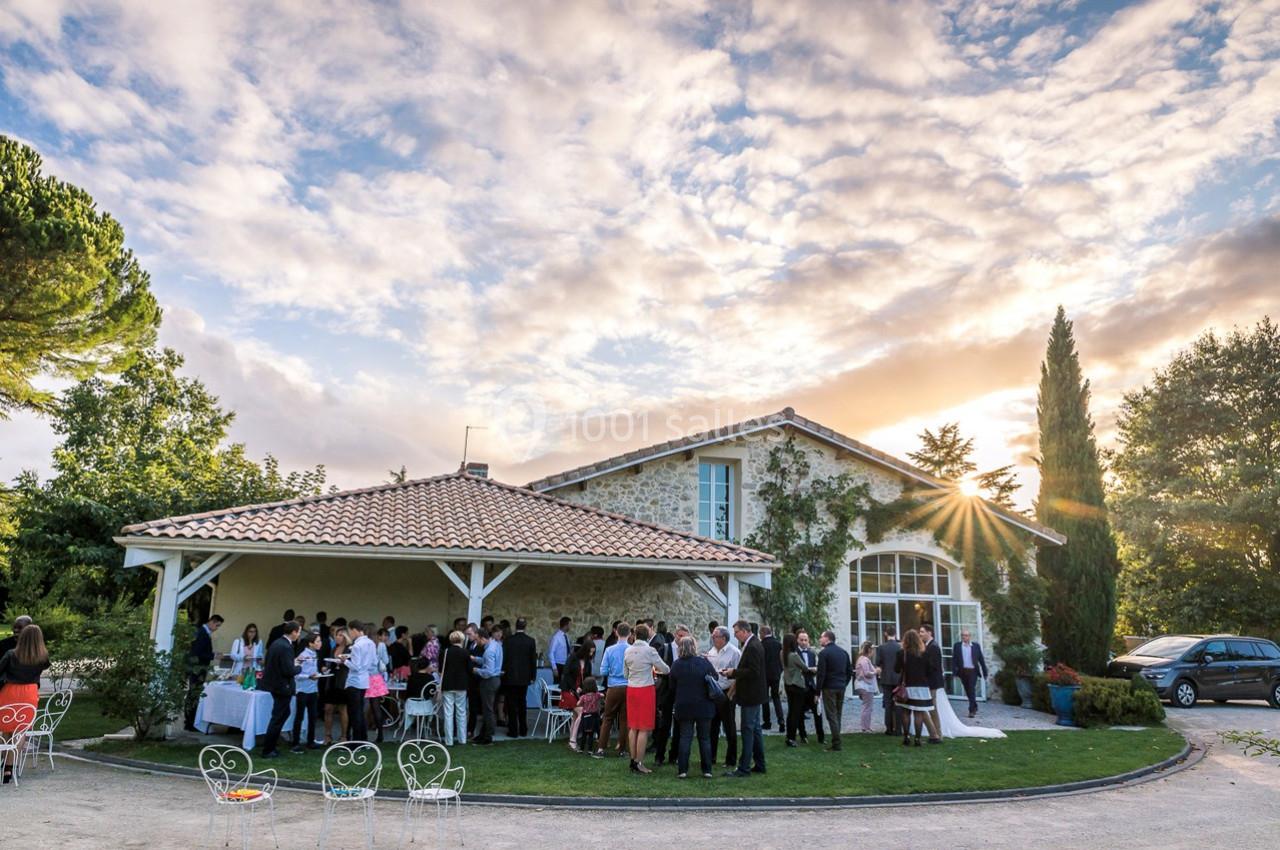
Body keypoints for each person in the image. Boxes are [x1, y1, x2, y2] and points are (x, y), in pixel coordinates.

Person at [0, 623, 49, 783]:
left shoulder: (11, 654)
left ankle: (3, 762)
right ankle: (9, 768)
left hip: (10, 692)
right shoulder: (42, 657)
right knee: (20, 731)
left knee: (6, 728)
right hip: (29, 693)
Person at [667, 635, 716, 778]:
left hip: (684, 705)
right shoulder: (703, 662)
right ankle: (707, 770)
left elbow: (672, 687)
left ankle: (683, 770)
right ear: (694, 647)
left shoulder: (676, 665)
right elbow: (715, 678)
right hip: (704, 705)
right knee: (705, 738)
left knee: (685, 737)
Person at [623, 623, 668, 774]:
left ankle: (632, 760)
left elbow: (625, 673)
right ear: (647, 635)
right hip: (645, 689)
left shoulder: (628, 650)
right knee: (644, 728)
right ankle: (639, 762)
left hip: (631, 688)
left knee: (633, 727)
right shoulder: (650, 650)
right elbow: (665, 668)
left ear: (634, 635)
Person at [725, 619, 766, 777]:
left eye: (736, 633)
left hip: (751, 695)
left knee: (748, 730)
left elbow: (753, 671)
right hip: (754, 694)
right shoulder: (753, 643)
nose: (735, 636)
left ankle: (744, 768)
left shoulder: (753, 646)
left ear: (744, 631)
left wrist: (733, 672)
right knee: (755, 729)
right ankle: (760, 764)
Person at [259, 621, 302, 758]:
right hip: (282, 686)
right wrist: (299, 667)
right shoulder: (286, 646)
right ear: (294, 632)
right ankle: (268, 748)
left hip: (275, 684)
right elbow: (288, 670)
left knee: (283, 713)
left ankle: (271, 745)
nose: (299, 635)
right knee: (278, 717)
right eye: (298, 632)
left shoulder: (277, 643)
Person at [894, 629, 941, 745]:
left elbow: (896, 669)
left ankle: (906, 737)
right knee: (918, 713)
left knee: (906, 712)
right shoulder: (924, 653)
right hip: (921, 686)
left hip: (907, 685)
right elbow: (931, 669)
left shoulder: (901, 653)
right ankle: (917, 739)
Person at [595, 622, 631, 757]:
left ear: (616, 632)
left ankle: (601, 748)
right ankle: (623, 749)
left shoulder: (610, 650)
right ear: (629, 634)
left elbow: (603, 671)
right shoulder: (631, 649)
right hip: (628, 686)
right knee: (624, 719)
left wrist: (613, 671)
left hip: (613, 686)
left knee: (608, 717)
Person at [706, 625, 739, 768]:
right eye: (713, 636)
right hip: (713, 692)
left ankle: (731, 760)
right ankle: (711, 757)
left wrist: (730, 694)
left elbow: (738, 676)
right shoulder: (712, 650)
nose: (712, 638)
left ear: (723, 638)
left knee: (729, 727)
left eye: (715, 636)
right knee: (712, 726)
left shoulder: (734, 652)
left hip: (727, 692)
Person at [184, 614, 224, 732]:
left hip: (199, 668)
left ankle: (191, 720)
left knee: (194, 693)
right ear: (212, 621)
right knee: (193, 694)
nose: (216, 628)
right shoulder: (201, 633)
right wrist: (214, 655)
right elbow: (197, 652)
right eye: (217, 625)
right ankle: (189, 722)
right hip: (197, 668)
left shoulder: (203, 633)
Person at [816, 629, 853, 751]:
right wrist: (844, 683)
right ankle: (836, 739)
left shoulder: (824, 654)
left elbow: (821, 674)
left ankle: (836, 743)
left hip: (829, 688)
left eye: (821, 637)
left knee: (831, 715)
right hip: (840, 687)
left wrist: (817, 692)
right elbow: (849, 671)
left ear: (827, 638)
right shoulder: (843, 653)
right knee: (838, 714)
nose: (820, 639)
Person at [503, 618, 537, 738]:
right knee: (522, 703)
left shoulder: (508, 641)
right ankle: (523, 729)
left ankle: (513, 730)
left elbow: (505, 659)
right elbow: (533, 661)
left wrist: (503, 672)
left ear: (515, 625)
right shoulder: (530, 641)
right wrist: (533, 676)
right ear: (525, 626)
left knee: (511, 704)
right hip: (524, 677)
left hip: (510, 676)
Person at [647, 620, 675, 766]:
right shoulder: (664, 645)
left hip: (673, 689)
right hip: (666, 690)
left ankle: (673, 754)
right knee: (663, 722)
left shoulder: (658, 643)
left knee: (673, 723)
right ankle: (659, 753)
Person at [290, 630, 323, 751]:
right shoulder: (303, 656)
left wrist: (320, 673)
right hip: (302, 690)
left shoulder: (315, 654)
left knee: (312, 716)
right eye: (318, 641)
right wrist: (308, 677)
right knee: (299, 716)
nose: (320, 643)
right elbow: (296, 674)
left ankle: (310, 740)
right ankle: (295, 742)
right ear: (310, 643)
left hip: (313, 690)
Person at [345, 620, 377, 742]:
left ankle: (356, 741)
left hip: (354, 681)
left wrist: (345, 661)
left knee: (354, 712)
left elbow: (356, 667)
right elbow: (374, 662)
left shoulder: (357, 645)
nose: (350, 634)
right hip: (364, 680)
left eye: (350, 631)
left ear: (354, 630)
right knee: (360, 710)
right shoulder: (371, 643)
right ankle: (363, 739)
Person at [472, 625, 504, 744]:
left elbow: (489, 672)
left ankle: (487, 737)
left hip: (489, 681)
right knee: (489, 708)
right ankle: (483, 734)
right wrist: (476, 659)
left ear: (482, 638)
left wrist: (476, 670)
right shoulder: (496, 645)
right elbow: (489, 662)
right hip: (496, 680)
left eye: (476, 640)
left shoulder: (489, 651)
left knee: (488, 710)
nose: (476, 642)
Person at [439, 630, 470, 746]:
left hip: (447, 684)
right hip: (461, 684)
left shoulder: (445, 652)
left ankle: (449, 740)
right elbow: (469, 669)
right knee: (461, 712)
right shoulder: (465, 652)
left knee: (448, 713)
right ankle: (462, 739)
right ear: (461, 640)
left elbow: (440, 669)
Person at [562, 641, 595, 750]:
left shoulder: (588, 662)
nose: (591, 655)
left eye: (592, 653)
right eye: (590, 652)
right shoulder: (573, 658)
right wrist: (575, 688)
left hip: (579, 692)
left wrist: (583, 689)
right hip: (569, 690)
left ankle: (572, 738)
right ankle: (573, 740)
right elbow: (566, 674)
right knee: (582, 712)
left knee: (576, 716)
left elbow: (587, 677)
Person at [321, 627, 350, 745]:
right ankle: (327, 736)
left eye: (339, 635)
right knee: (328, 708)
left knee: (342, 709)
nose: (336, 637)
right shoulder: (334, 649)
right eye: (336, 635)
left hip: (343, 681)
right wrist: (325, 668)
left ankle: (344, 736)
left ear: (345, 637)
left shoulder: (349, 649)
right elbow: (329, 663)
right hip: (332, 680)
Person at [952, 629, 989, 718]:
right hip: (963, 671)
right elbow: (954, 660)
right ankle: (974, 705)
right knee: (968, 690)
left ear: (970, 636)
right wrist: (954, 672)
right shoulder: (957, 646)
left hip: (973, 671)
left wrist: (984, 672)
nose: (965, 637)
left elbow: (981, 660)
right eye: (963, 635)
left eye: (966, 635)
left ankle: (971, 710)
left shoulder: (975, 646)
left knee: (971, 689)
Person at [796, 630, 823, 744]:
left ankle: (821, 737)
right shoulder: (794, 653)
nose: (803, 642)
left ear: (808, 641)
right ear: (797, 640)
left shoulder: (812, 653)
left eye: (805, 640)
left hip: (811, 686)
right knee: (800, 713)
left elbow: (815, 669)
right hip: (800, 687)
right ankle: (803, 736)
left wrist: (815, 670)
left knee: (818, 713)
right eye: (801, 640)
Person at [782, 632, 808, 746]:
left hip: (788, 684)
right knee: (796, 713)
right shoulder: (794, 655)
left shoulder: (782, 653)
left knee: (791, 711)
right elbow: (805, 667)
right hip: (797, 685)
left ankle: (789, 736)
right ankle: (791, 737)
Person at [874, 627, 902, 736]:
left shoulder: (881, 647)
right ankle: (898, 729)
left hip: (886, 678)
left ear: (886, 634)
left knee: (888, 704)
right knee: (899, 703)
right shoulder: (900, 647)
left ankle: (889, 728)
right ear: (895, 633)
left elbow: (878, 662)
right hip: (898, 678)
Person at [920, 624, 946, 737]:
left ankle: (937, 732)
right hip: (929, 682)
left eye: (922, 632)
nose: (920, 634)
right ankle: (935, 732)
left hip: (932, 682)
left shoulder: (933, 647)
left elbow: (933, 666)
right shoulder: (928, 645)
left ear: (929, 633)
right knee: (930, 707)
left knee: (932, 708)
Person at [760, 626, 784, 731]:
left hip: (764, 675)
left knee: (765, 699)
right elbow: (781, 659)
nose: (759, 635)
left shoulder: (761, 645)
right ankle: (781, 720)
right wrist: (780, 670)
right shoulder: (778, 644)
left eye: (760, 633)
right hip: (776, 674)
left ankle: (767, 722)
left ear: (763, 633)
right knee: (776, 697)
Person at [854, 640, 879, 732]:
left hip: (863, 685)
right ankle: (865, 727)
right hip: (866, 686)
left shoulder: (861, 659)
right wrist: (876, 671)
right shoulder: (864, 659)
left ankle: (866, 726)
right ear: (869, 650)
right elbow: (867, 673)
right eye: (872, 650)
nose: (873, 652)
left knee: (867, 706)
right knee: (867, 707)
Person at [575, 677, 603, 754]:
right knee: (591, 733)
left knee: (584, 733)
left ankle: (581, 748)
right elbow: (602, 695)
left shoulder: (583, 697)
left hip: (585, 716)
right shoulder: (596, 695)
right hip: (594, 716)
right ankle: (590, 750)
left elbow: (578, 704)